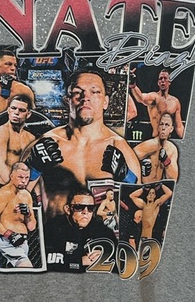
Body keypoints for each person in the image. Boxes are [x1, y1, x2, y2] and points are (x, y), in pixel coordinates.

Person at [22, 70, 141, 219]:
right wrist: (33, 169)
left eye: (95, 92)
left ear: (105, 102)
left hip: (102, 233)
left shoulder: (119, 147)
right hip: (55, 232)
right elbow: (10, 201)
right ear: (67, 100)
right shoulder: (45, 145)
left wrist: (127, 177)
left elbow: (139, 209)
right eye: (78, 92)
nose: (86, 98)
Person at [44, 189, 117, 273]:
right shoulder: (53, 228)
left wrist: (105, 256)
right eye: (79, 207)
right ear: (68, 209)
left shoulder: (102, 230)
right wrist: (80, 262)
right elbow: (48, 263)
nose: (85, 212)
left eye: (90, 208)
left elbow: (121, 259)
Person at [0, 162, 37, 268]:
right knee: (27, 269)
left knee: (17, 274)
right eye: (20, 177)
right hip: (9, 242)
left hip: (24, 242)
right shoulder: (4, 193)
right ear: (12, 176)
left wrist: (28, 214)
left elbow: (31, 227)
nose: (24, 181)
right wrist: (9, 234)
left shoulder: (26, 195)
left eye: (27, 178)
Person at [0, 94, 36, 190]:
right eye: (13, 108)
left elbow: (32, 167)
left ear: (28, 114)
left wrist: (36, 194)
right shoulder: (1, 132)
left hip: (23, 188)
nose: (16, 113)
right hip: (4, 187)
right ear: (8, 110)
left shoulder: (31, 138)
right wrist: (14, 188)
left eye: (21, 110)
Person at [129, 67, 185, 138]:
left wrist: (187, 140)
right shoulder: (154, 97)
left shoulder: (175, 102)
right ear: (158, 83)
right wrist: (133, 84)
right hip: (155, 139)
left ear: (169, 82)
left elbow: (179, 127)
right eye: (160, 78)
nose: (162, 81)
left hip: (168, 140)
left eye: (165, 78)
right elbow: (141, 98)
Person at [133, 113, 179, 183]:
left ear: (171, 129)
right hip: (142, 185)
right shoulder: (150, 145)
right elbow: (127, 159)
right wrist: (140, 168)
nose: (163, 128)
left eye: (167, 125)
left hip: (157, 186)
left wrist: (166, 160)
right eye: (161, 124)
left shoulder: (172, 149)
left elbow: (173, 179)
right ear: (158, 127)